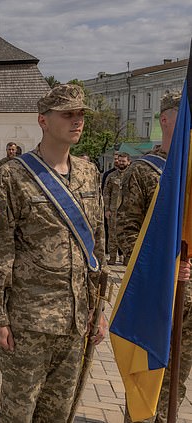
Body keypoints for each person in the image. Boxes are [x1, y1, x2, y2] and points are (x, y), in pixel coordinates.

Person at [0, 84, 107, 422]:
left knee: (58, 413)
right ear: (43, 120)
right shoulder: (11, 176)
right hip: (28, 323)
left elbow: (97, 249)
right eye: (68, 114)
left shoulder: (89, 173)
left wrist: (99, 311)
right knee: (18, 413)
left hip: (75, 322)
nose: (77, 121)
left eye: (81, 114)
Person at [118, 91, 191, 423]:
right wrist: (165, 270)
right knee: (149, 373)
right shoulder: (144, 171)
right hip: (159, 294)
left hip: (189, 297)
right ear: (165, 119)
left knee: (179, 378)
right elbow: (126, 231)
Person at [103, 151, 130, 265]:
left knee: (126, 234)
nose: (121, 163)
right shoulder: (111, 176)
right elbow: (106, 193)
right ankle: (112, 257)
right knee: (112, 234)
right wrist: (107, 209)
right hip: (113, 210)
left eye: (123, 161)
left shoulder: (132, 175)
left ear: (129, 162)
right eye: (119, 161)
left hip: (128, 212)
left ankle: (126, 258)